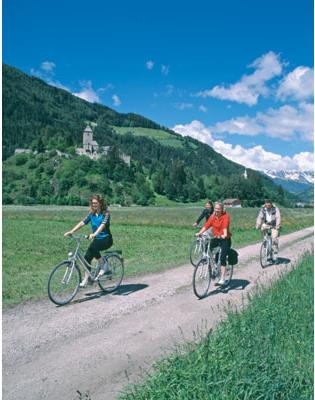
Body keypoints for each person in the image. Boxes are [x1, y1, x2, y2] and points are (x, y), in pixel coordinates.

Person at [64, 195, 113, 287]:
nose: (94, 205)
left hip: (106, 239)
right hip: (97, 240)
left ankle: (104, 265)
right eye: (93, 203)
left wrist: (94, 234)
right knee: (87, 257)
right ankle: (87, 279)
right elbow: (82, 222)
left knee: (93, 248)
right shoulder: (92, 214)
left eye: (96, 203)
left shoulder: (106, 213)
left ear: (100, 203)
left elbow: (102, 225)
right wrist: (72, 231)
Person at [196, 202, 232, 286]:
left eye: (218, 209)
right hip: (216, 237)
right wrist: (199, 233)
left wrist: (224, 234)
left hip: (225, 239)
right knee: (206, 248)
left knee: (222, 257)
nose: (216, 210)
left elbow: (225, 226)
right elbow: (206, 225)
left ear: (222, 209)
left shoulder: (225, 216)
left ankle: (222, 278)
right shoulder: (213, 216)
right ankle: (213, 267)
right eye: (215, 209)